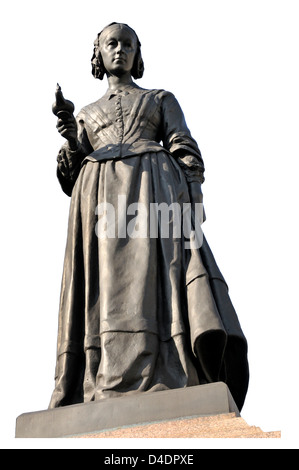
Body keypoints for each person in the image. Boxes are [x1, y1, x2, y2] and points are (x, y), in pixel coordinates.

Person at [49, 22, 249, 411]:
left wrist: (191, 200)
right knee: (105, 289)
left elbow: (184, 148)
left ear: (138, 54)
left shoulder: (160, 99)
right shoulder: (87, 115)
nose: (120, 50)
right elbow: (70, 180)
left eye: (128, 44)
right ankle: (104, 373)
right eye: (112, 44)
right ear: (99, 54)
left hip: (153, 193)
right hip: (98, 200)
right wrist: (71, 141)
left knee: (154, 283)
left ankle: (167, 368)